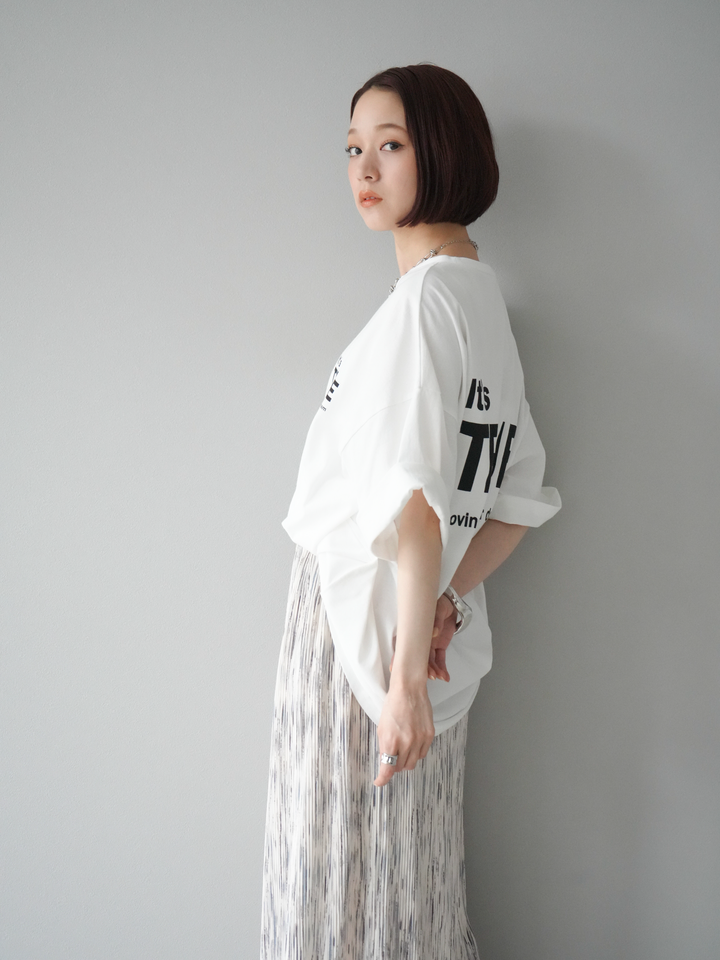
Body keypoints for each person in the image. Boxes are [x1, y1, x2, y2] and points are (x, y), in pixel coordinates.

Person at [260, 64, 560, 959]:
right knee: (405, 888)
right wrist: (444, 605)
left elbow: (416, 504)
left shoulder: (422, 309)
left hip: (359, 639)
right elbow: (516, 501)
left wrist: (401, 684)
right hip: (419, 641)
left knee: (332, 893)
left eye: (390, 145)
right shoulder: (477, 300)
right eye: (354, 148)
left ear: (443, 149)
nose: (364, 168)